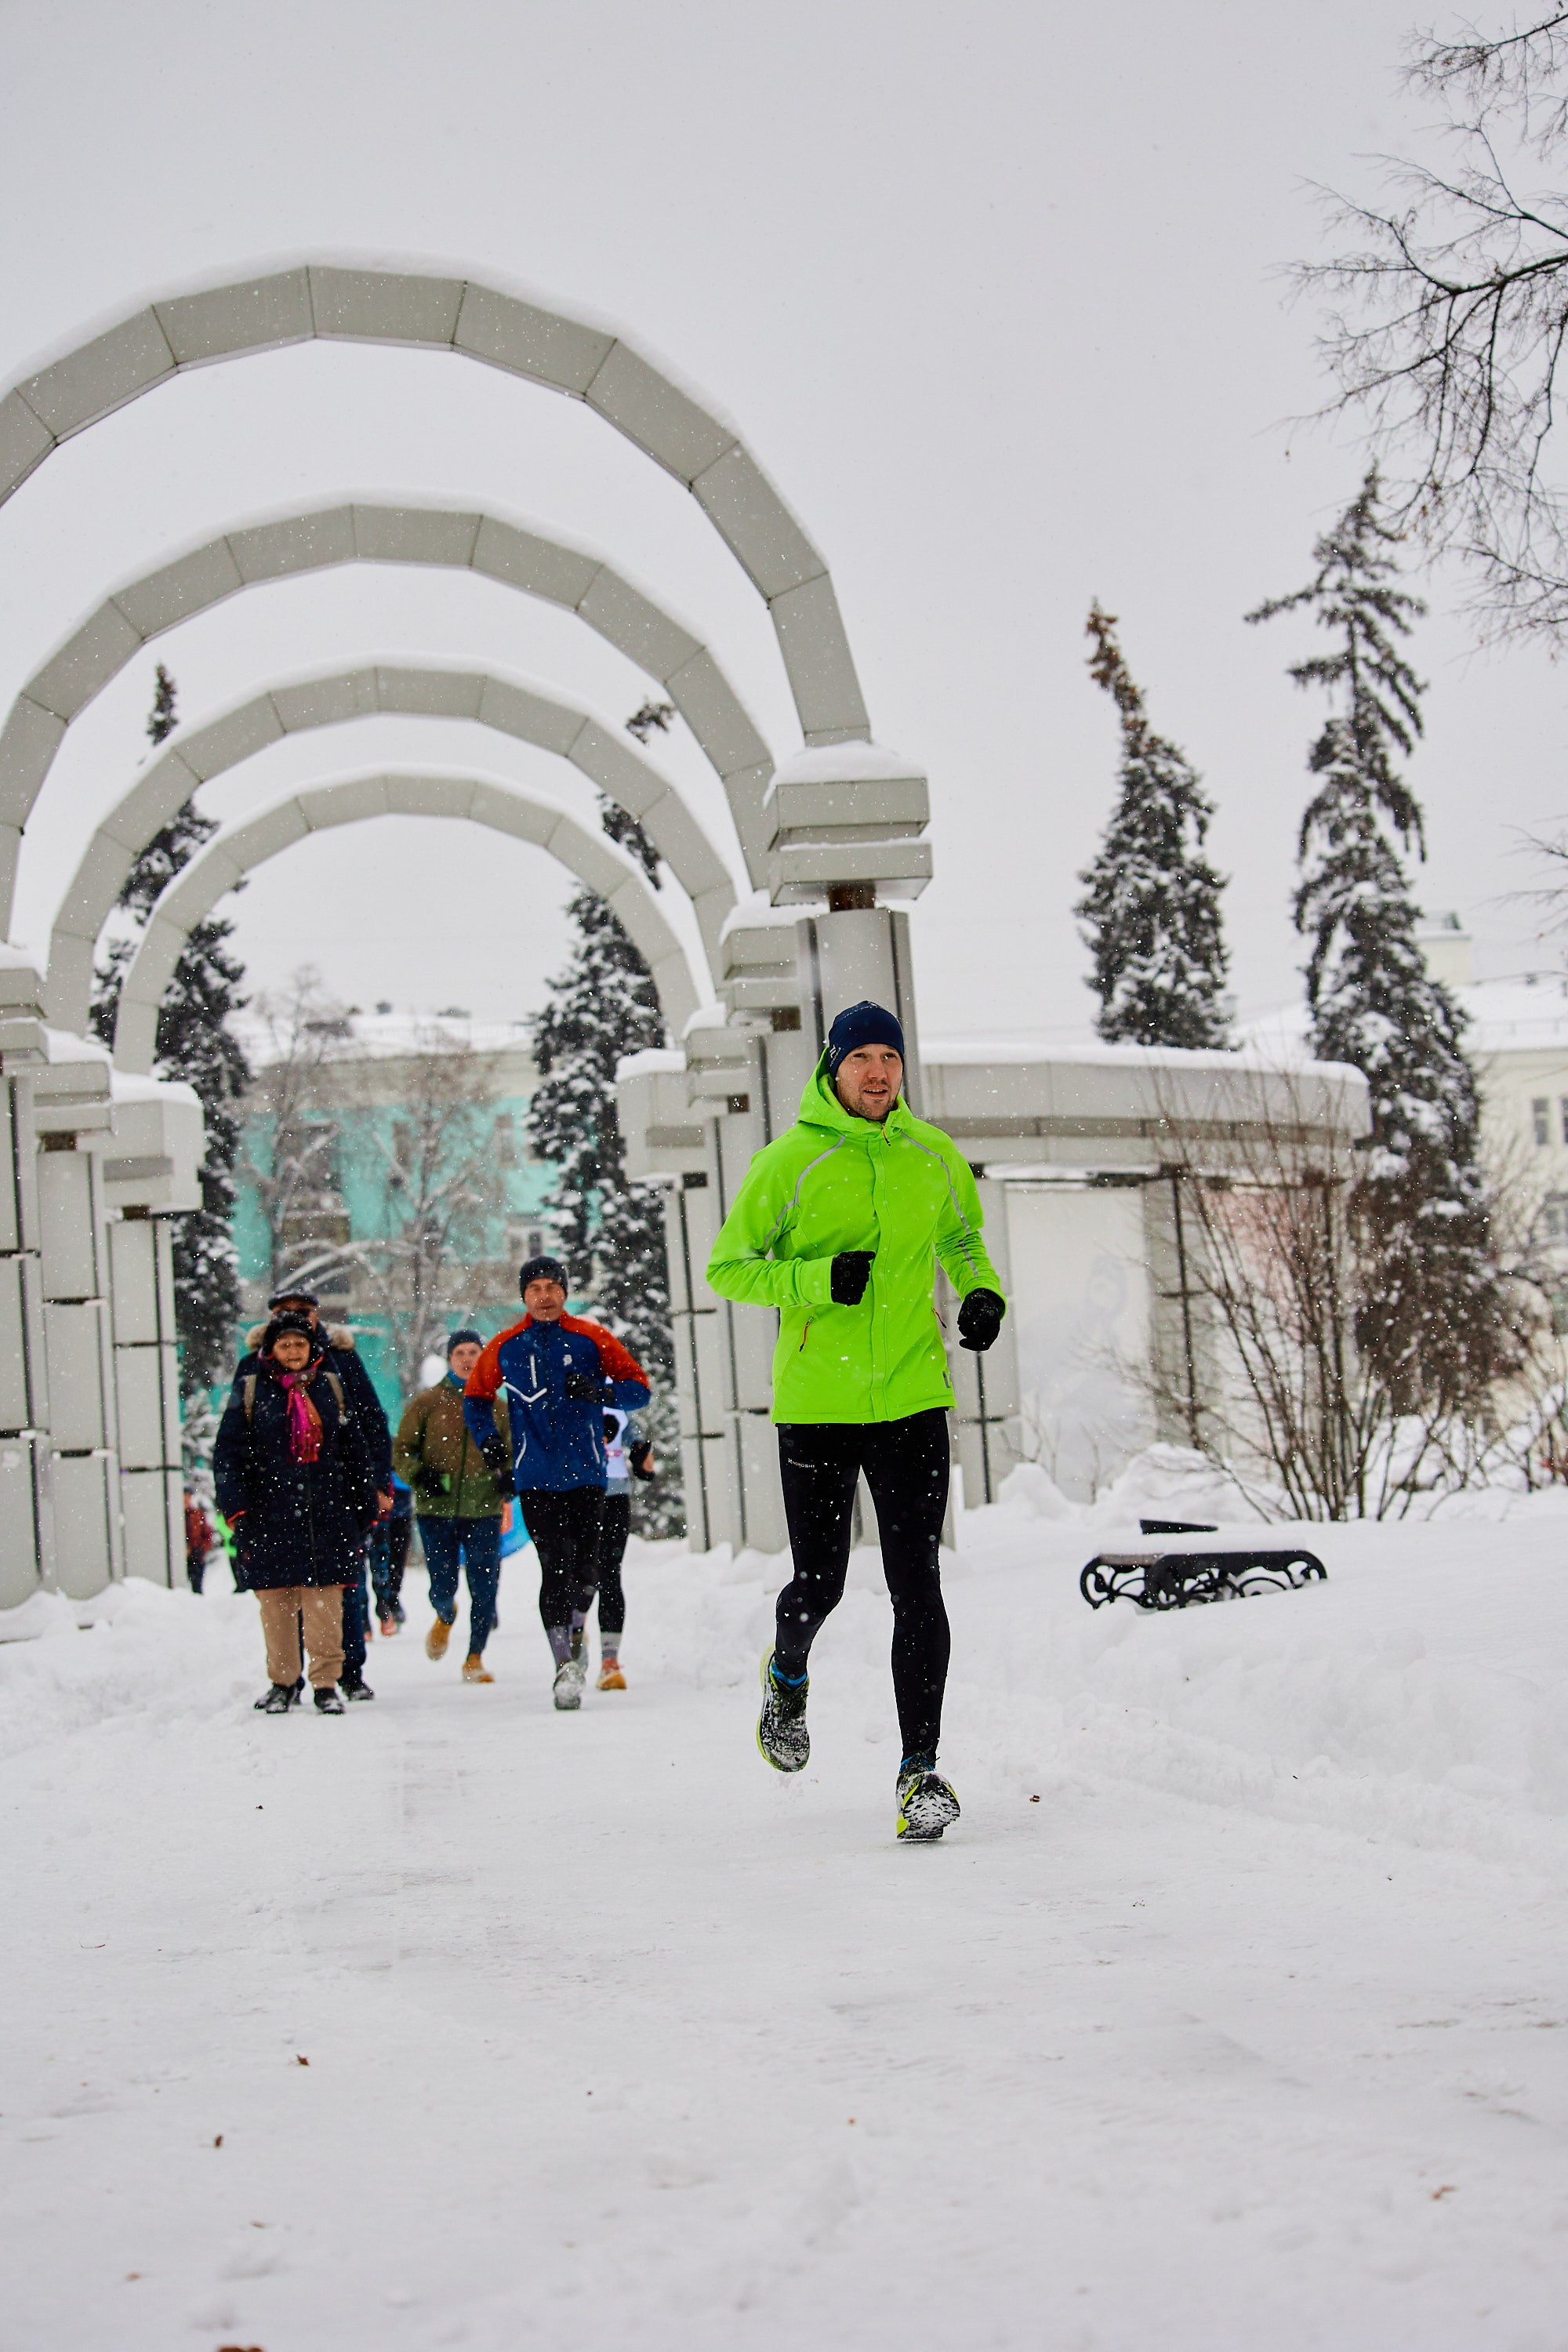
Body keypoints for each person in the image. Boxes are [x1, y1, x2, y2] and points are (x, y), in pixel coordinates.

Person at [706, 1000, 1007, 1842]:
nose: (877, 1072)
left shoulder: (930, 1154)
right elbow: (729, 1267)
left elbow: (963, 1241)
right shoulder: (788, 1162)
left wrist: (982, 1293)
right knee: (821, 1585)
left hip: (913, 1398)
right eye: (861, 1058)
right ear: (831, 1068)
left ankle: (920, 1773)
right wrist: (809, 1281)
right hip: (817, 1406)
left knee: (918, 1586)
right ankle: (787, 1676)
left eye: (890, 1056)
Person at [463, 1257, 650, 1711]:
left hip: (587, 1475)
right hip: (536, 1478)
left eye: (552, 1287)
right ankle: (564, 1666)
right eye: (535, 1289)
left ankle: (578, 1628)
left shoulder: (591, 1338)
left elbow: (639, 1388)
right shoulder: (507, 1345)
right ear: (523, 1297)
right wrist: (490, 1444)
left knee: (588, 1570)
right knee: (554, 1568)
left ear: (564, 1292)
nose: (544, 1295)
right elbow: (475, 1398)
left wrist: (601, 1393)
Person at [214, 1308, 377, 1715]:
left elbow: (355, 1451)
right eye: (284, 1344)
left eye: (299, 1344)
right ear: (272, 1349)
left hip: (327, 1515)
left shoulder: (331, 1387)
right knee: (277, 1606)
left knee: (325, 1606)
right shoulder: (251, 1389)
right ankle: (283, 1682)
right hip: (269, 1517)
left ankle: (326, 1683)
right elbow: (229, 1454)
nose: (292, 1351)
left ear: (312, 1348)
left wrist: (364, 1507)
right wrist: (238, 1510)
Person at [394, 1330, 512, 1684]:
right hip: (437, 1508)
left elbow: (513, 1453)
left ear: (484, 1358)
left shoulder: (498, 1407)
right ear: (449, 1359)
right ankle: (445, 1615)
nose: (467, 1359)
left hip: (485, 1508)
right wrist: (421, 1476)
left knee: (485, 1584)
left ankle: (475, 1657)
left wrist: (510, 1478)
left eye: (474, 1352)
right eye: (460, 1352)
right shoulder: (427, 1403)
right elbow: (401, 1451)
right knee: (442, 1585)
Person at [588, 1408, 657, 1690]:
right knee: (578, 1576)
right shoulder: (567, 1374)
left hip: (615, 1494)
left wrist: (640, 1453)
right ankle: (573, 1642)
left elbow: (630, 1430)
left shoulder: (615, 1388)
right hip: (576, 1492)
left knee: (609, 1575)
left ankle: (609, 1661)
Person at [370, 1474, 414, 1635]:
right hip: (376, 1491)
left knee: (398, 1556)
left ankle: (392, 1598)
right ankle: (380, 1605)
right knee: (378, 1555)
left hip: (401, 1491)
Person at [183, 1490, 213, 1593]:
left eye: (187, 1497)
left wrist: (202, 1549)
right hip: (183, 1557)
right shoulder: (175, 1516)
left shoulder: (197, 1514)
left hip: (197, 1555)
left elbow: (207, 1534)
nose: (185, 1500)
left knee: (197, 1586)